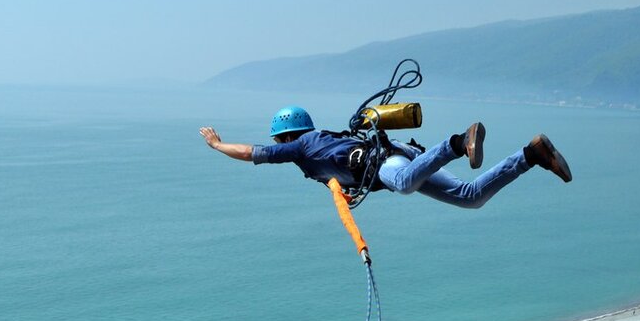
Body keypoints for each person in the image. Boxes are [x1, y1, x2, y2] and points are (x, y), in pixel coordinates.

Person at [199, 106, 571, 209]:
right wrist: (344, 190)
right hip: (394, 154)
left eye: (279, 139)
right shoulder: (317, 150)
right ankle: (531, 155)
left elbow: (253, 154)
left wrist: (218, 146)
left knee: (407, 186)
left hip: (386, 164)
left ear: (285, 136)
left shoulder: (301, 146)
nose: (278, 145)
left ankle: (458, 143)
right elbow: (338, 175)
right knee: (470, 197)